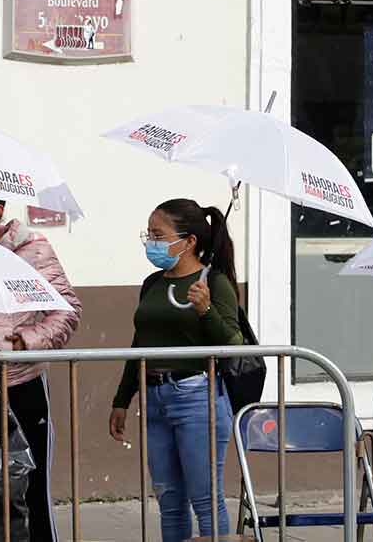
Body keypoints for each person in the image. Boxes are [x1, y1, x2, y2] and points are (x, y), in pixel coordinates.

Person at [108, 198, 243, 542]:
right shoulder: (152, 283)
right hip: (154, 396)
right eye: (148, 234)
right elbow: (141, 344)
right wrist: (123, 399)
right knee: (169, 501)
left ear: (188, 241)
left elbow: (234, 344)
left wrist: (205, 309)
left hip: (196, 397)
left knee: (205, 498)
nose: (150, 242)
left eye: (157, 234)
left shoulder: (214, 283)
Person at [0, 193, 82, 542]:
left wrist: (28, 340)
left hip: (19, 384)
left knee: (30, 486)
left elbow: (67, 309)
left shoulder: (32, 249)